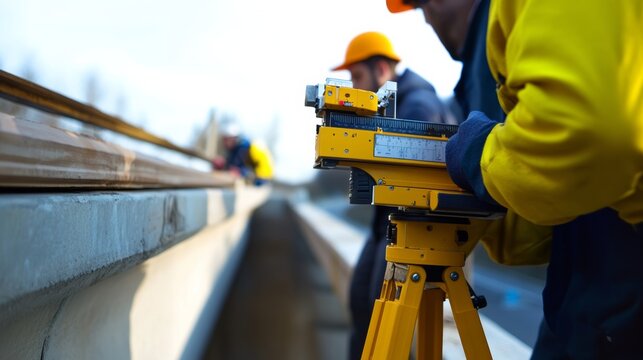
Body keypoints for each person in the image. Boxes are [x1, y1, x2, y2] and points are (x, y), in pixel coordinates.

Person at [390, 0, 643, 358]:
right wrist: (474, 198)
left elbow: (586, 135)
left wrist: (478, 155)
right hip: (585, 298)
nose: (428, 22)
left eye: (421, 7)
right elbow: (530, 236)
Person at [331, 31, 453, 360]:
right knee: (361, 303)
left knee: (382, 319)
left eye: (357, 77)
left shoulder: (418, 103)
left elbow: (416, 172)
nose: (354, 87)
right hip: (387, 222)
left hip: (416, 227)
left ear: (381, 69)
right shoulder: (392, 104)